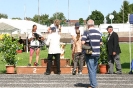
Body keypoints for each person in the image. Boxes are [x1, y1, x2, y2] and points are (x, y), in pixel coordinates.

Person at [81, 19, 102, 88]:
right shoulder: (98, 32)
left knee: (91, 69)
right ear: (93, 24)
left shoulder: (87, 32)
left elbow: (82, 42)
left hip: (90, 53)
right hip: (97, 53)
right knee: (94, 69)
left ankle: (94, 85)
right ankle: (92, 83)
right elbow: (101, 43)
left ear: (88, 25)